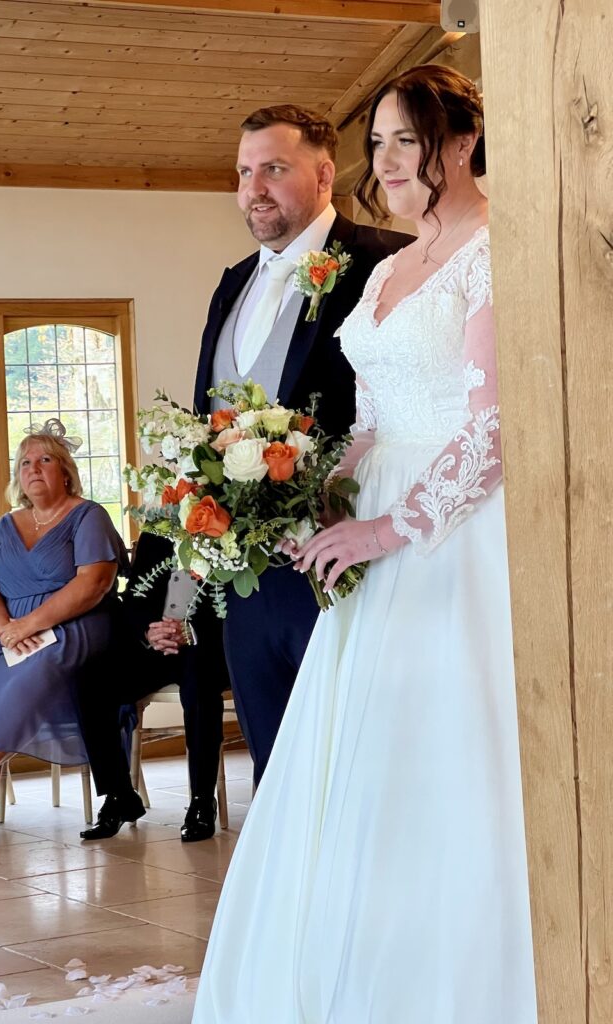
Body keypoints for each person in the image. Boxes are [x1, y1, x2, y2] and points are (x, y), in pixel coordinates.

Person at [192, 65, 537, 1023]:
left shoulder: (497, 248)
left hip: (458, 533)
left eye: (405, 140)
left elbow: (498, 425)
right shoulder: (387, 270)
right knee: (355, 762)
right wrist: (312, 489)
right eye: (377, 142)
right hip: (368, 537)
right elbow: (376, 417)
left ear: (460, 144)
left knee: (448, 753)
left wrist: (395, 525)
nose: (385, 162)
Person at [193, 103, 412, 784]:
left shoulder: (385, 260)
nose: (253, 187)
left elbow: (407, 411)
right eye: (244, 171)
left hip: (344, 567)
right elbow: (212, 414)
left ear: (324, 174)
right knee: (274, 773)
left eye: (274, 169)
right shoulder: (232, 281)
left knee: (352, 768)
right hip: (247, 580)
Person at [0, 419, 128, 837]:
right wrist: (2, 631)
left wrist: (30, 624)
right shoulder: (6, 525)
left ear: (65, 470)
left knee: (35, 667)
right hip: (10, 629)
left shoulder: (88, 516)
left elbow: (93, 584)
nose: (33, 468)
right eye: (25, 462)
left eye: (45, 460)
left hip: (74, 624)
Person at [79, 532, 230, 842]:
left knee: (200, 680)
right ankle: (120, 795)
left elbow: (234, 604)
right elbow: (134, 600)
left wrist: (187, 630)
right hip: (158, 646)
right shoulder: (156, 534)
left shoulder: (228, 532)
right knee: (92, 679)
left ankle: (202, 799)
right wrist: (151, 631)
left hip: (208, 647)